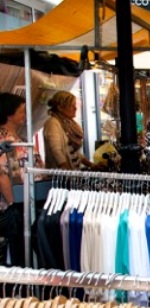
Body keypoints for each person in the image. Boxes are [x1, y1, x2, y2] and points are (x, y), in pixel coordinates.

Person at [0, 92, 44, 267]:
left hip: (26, 203)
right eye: (21, 111)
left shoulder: (19, 139)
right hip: (14, 207)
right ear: (10, 114)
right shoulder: (4, 141)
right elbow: (2, 174)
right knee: (19, 253)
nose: (25, 115)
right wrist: (13, 206)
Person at [43, 91, 95, 170]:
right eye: (71, 106)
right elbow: (56, 151)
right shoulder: (52, 123)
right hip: (60, 177)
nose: (75, 108)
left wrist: (92, 165)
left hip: (74, 173)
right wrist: (67, 172)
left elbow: (74, 152)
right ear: (60, 108)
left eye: (75, 105)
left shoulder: (68, 123)